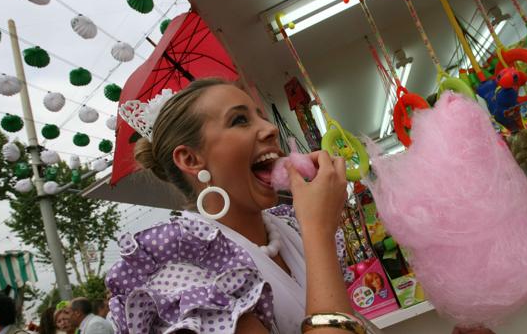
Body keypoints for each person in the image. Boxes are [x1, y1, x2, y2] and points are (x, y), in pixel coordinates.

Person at [107, 78, 364, 333]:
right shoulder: (180, 276)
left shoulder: (291, 226)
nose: (270, 129)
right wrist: (318, 230)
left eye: (261, 116)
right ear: (190, 159)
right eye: (240, 120)